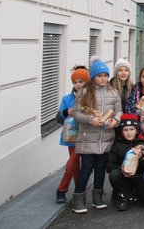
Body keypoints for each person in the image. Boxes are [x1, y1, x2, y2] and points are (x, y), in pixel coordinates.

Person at [71, 57, 122, 213]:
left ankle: (97, 198)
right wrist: (90, 119)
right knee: (86, 169)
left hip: (106, 138)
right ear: (93, 77)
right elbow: (76, 113)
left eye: (105, 76)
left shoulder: (113, 92)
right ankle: (78, 199)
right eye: (100, 76)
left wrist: (116, 121)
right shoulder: (84, 92)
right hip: (88, 138)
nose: (103, 79)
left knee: (100, 169)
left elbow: (119, 111)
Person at [55, 65, 88, 203]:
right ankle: (79, 192)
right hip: (71, 136)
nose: (78, 84)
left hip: (86, 136)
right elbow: (58, 118)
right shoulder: (67, 98)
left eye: (81, 81)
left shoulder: (91, 97)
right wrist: (66, 112)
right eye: (75, 82)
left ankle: (62, 189)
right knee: (74, 166)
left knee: (71, 164)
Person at [106, 114, 144, 211]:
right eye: (125, 130)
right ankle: (122, 195)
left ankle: (136, 193)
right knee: (114, 175)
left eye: (131, 129)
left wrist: (141, 157)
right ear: (122, 132)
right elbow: (109, 165)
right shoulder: (117, 144)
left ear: (136, 131)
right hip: (123, 176)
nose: (129, 133)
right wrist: (121, 169)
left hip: (139, 176)